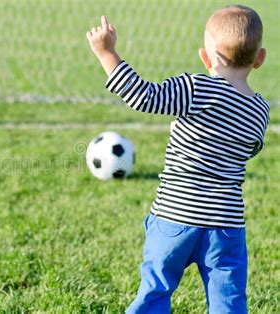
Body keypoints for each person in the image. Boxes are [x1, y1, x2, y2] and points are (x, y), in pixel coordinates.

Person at [86, 5, 269, 313]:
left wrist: (107, 54)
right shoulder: (260, 109)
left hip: (174, 218)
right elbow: (249, 148)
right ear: (259, 58)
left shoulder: (195, 88)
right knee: (229, 303)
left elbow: (142, 95)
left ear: (206, 57)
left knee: (155, 292)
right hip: (226, 227)